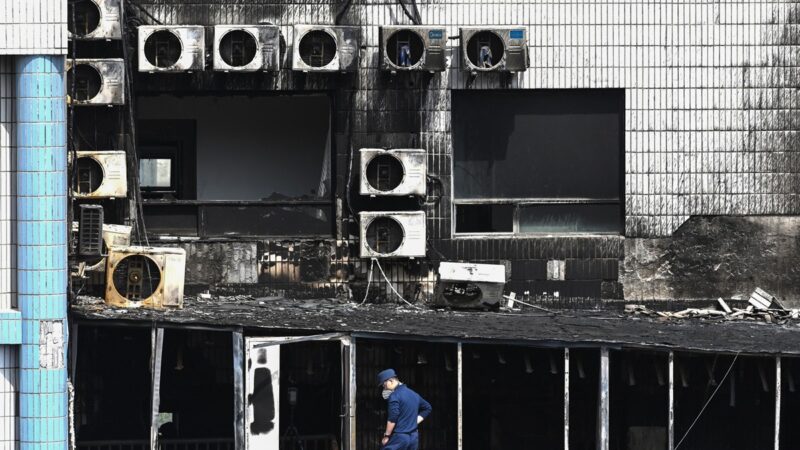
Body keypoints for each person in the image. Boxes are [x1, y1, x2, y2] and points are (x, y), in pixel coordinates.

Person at [377, 369, 432, 450]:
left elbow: (392, 418)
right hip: (414, 437)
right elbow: (428, 408)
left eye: (384, 384)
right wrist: (414, 421)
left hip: (400, 437)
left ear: (391, 381)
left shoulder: (394, 395)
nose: (384, 387)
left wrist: (387, 436)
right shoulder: (414, 394)